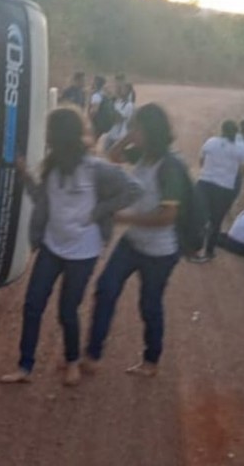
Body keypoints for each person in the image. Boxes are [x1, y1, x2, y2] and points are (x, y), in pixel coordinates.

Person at [0, 108, 142, 386]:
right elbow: (42, 198)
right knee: (32, 305)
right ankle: (24, 367)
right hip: (52, 247)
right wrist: (25, 175)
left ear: (62, 135)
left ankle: (72, 361)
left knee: (67, 310)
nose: (48, 137)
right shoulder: (53, 166)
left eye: (52, 132)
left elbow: (135, 189)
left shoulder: (96, 168)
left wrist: (102, 209)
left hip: (83, 252)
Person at [84, 103, 185, 378]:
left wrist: (126, 219)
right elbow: (112, 154)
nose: (132, 131)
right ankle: (92, 354)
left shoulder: (169, 167)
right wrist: (129, 136)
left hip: (160, 252)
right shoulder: (143, 155)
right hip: (132, 243)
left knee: (149, 304)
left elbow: (168, 216)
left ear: (151, 130)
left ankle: (151, 360)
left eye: (137, 127)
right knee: (106, 289)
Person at [191, 120, 244, 263]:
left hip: (205, 182)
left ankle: (194, 247)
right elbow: (242, 170)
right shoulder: (240, 147)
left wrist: (209, 171)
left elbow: (201, 160)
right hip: (224, 187)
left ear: (222, 129)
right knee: (216, 221)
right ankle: (209, 251)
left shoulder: (211, 141)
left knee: (200, 216)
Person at [104, 82, 135, 152]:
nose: (121, 90)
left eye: (124, 89)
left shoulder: (129, 105)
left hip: (119, 137)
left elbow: (119, 119)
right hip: (111, 134)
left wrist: (112, 108)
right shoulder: (118, 102)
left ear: (128, 92)